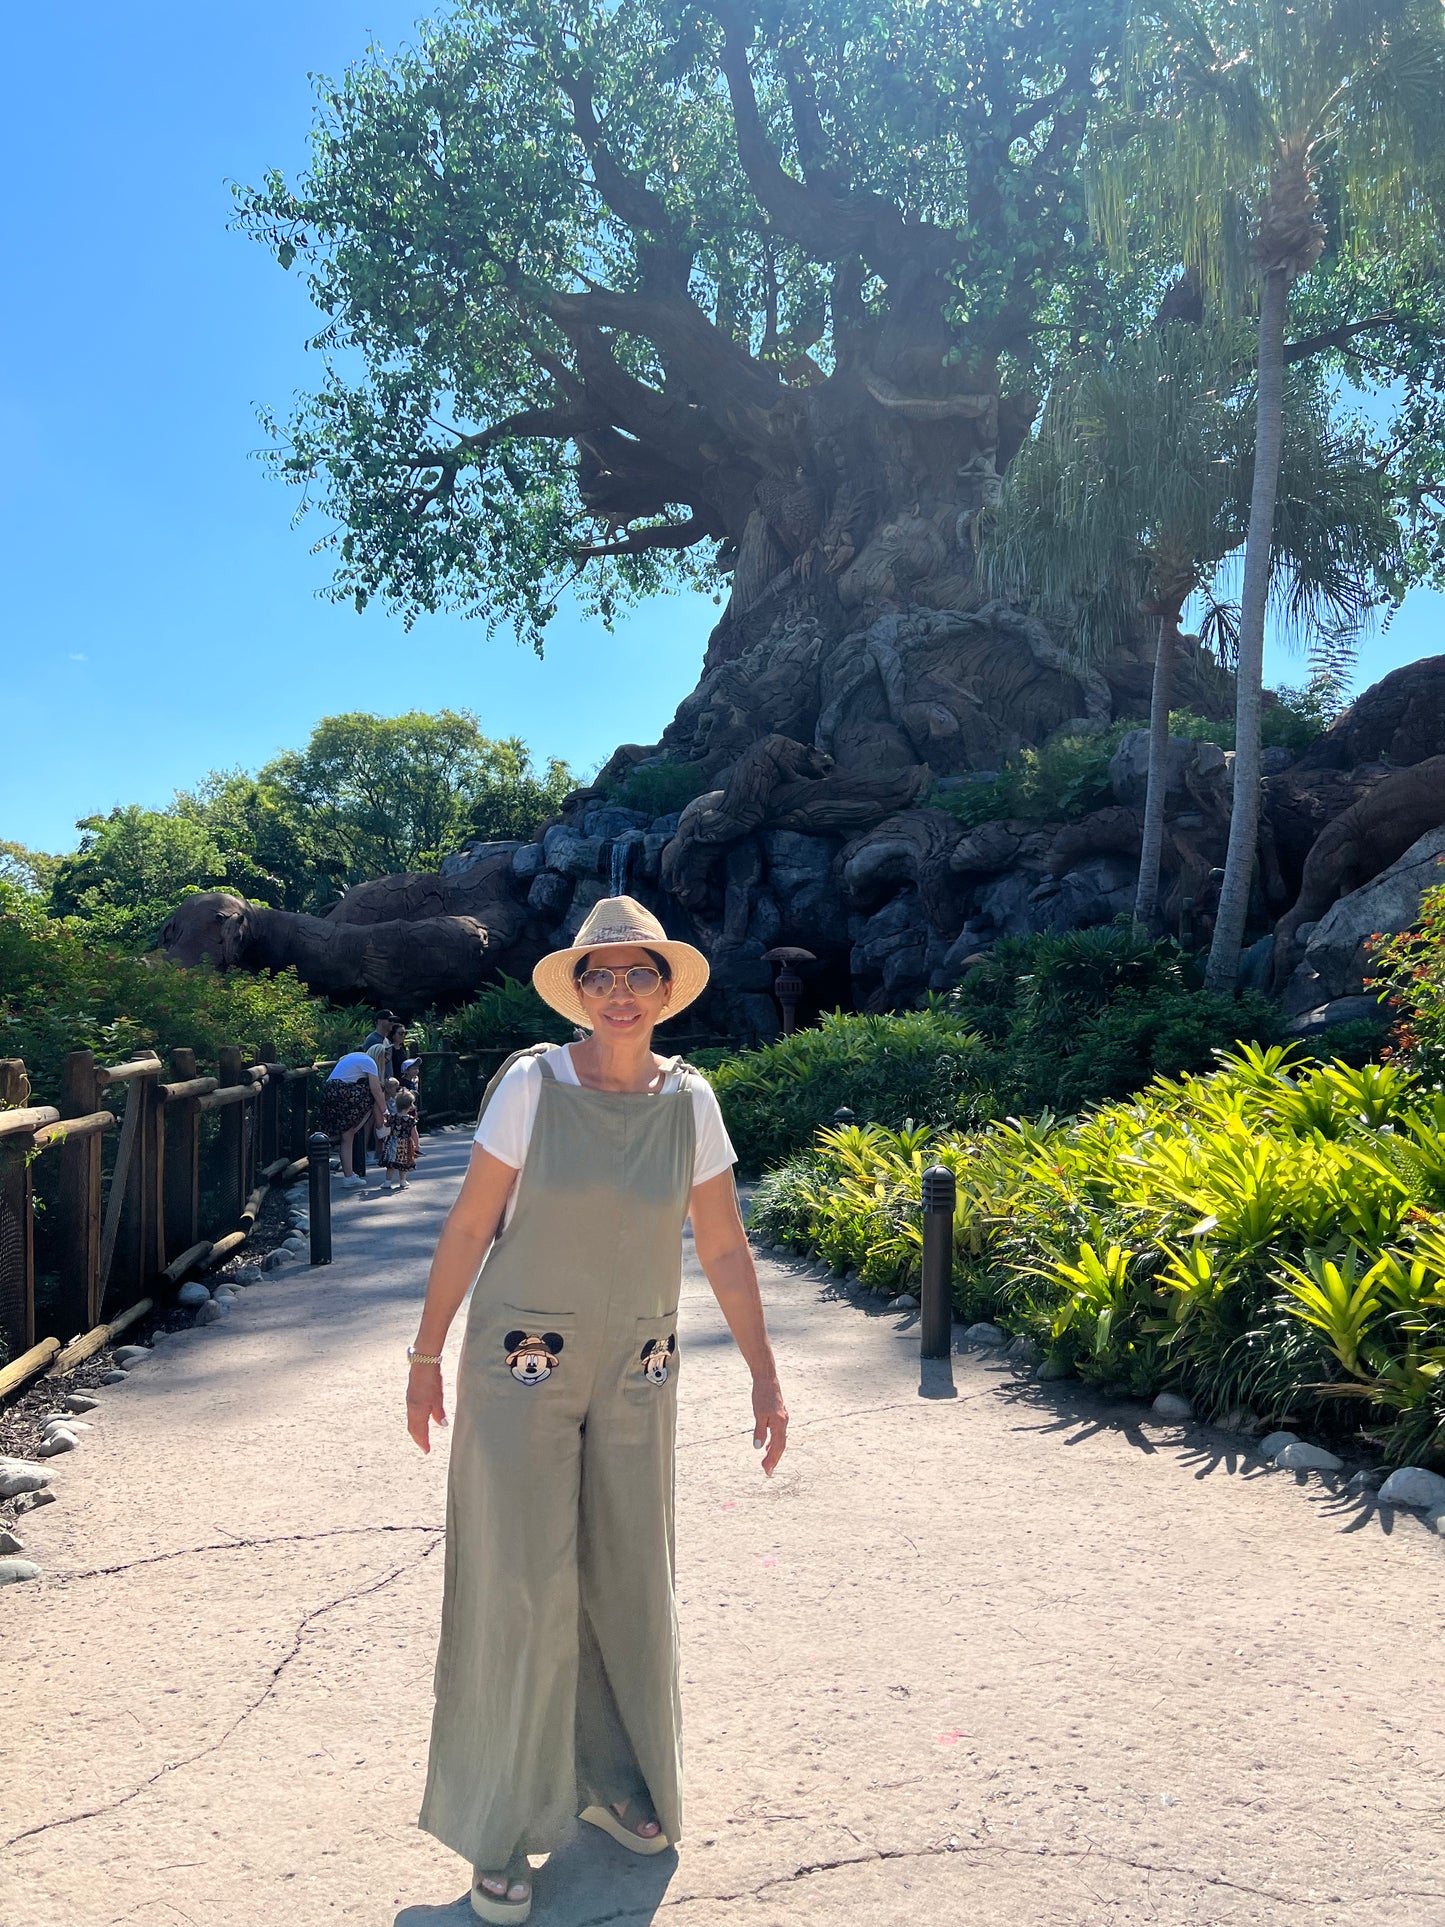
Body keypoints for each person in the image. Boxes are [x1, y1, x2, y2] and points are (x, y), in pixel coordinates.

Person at [406, 897, 788, 1923]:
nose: (619, 993)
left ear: (666, 989)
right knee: (520, 1585)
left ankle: (616, 1786)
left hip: (639, 1368)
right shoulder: (532, 1085)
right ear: (576, 991)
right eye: (599, 976)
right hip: (517, 1364)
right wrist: (424, 1351)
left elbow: (720, 1248)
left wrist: (763, 1371)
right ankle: (500, 1827)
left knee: (627, 1576)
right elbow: (471, 1222)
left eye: (638, 975)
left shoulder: (690, 1101)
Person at [317, 1050, 388, 1187]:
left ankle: (349, 1175)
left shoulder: (353, 1057)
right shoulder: (370, 1062)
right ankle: (382, 1128)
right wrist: (386, 1111)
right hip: (342, 1091)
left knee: (347, 1136)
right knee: (376, 1092)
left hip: (330, 1091)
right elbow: (375, 1089)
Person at [381, 1089, 420, 1190]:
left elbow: (385, 1124)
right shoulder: (411, 1120)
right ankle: (403, 1181)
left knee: (391, 1164)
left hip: (392, 1142)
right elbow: (414, 1133)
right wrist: (417, 1144)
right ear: (411, 1106)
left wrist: (385, 1118)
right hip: (405, 1144)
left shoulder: (392, 1118)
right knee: (403, 1163)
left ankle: (387, 1182)